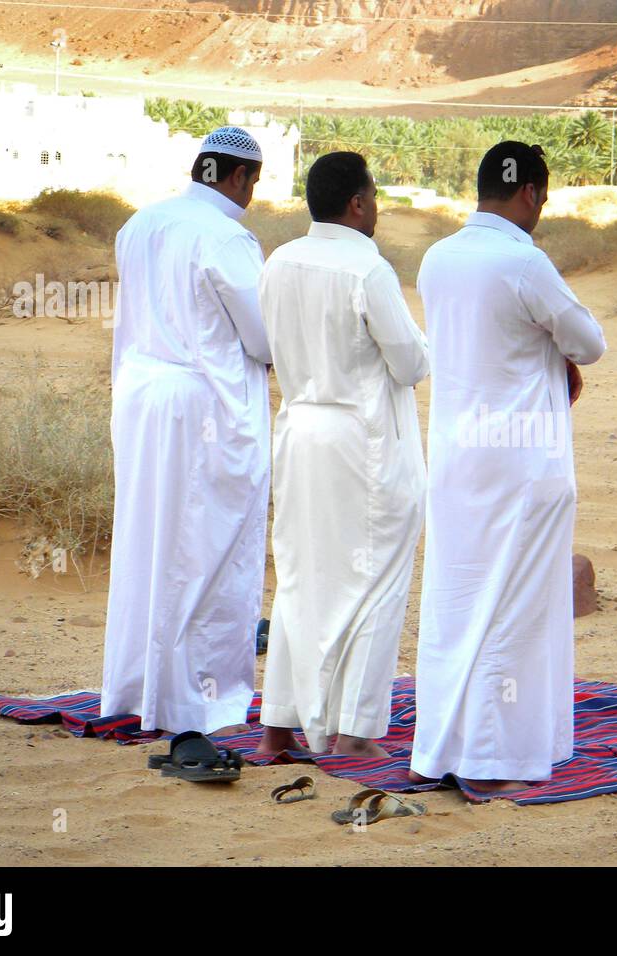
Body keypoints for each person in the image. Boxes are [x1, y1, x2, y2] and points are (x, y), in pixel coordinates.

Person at [410, 141, 606, 791]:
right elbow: (589, 342)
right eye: (543, 199)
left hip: (458, 459)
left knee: (459, 601)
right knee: (515, 610)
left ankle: (445, 748)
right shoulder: (525, 262)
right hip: (524, 465)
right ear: (529, 193)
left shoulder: (438, 259)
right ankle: (495, 761)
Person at [256, 152, 428, 759]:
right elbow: (409, 363)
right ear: (357, 203)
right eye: (374, 196)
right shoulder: (366, 268)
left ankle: (279, 724)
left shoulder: (278, 261)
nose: (377, 207)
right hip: (363, 441)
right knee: (375, 579)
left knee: (302, 577)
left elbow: (270, 344)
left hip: (299, 432)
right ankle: (353, 733)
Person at [100, 127, 272, 733]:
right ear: (238, 177)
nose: (250, 193)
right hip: (202, 407)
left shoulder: (140, 224)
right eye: (252, 181)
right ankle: (195, 700)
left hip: (141, 396)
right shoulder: (227, 237)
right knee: (204, 552)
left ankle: (134, 689)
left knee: (146, 544)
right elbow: (262, 336)